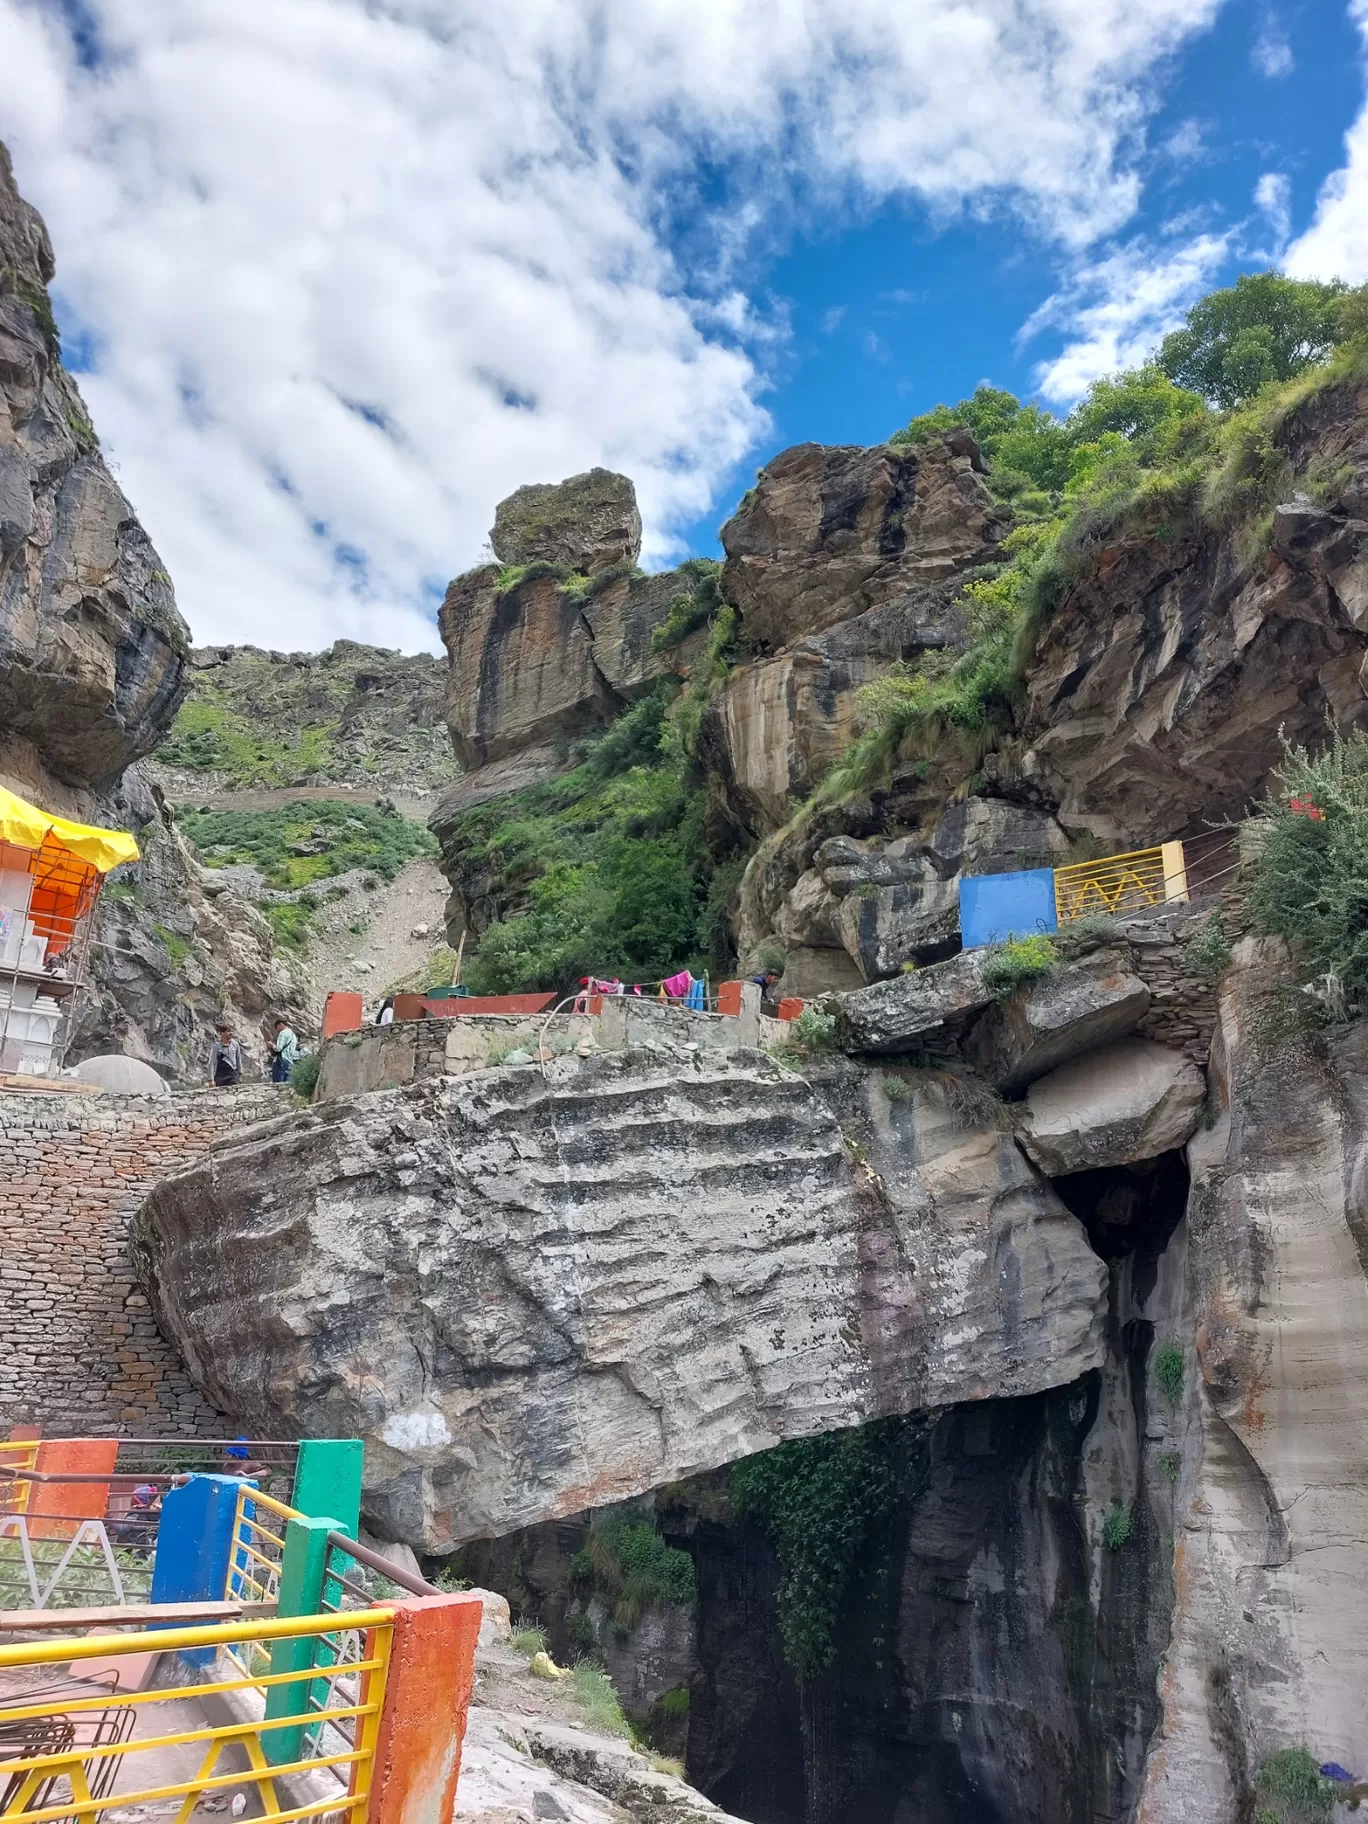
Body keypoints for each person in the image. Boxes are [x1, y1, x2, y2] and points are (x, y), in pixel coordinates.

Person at [271, 1017, 299, 1083]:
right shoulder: (292, 1034)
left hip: (282, 1057)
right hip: (289, 1058)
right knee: (287, 1079)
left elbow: (278, 1048)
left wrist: (272, 1045)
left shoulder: (283, 1033)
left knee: (277, 1081)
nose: (277, 1030)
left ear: (280, 1024)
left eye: (277, 1027)